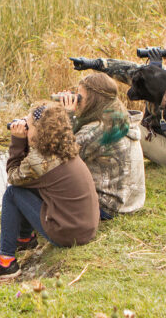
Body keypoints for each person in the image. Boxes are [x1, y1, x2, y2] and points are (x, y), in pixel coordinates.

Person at [0, 101, 100, 280]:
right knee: (28, 189)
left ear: (40, 132)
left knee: (12, 193)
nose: (25, 128)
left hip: (68, 234)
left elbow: (14, 176)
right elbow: (30, 178)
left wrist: (17, 141)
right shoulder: (63, 146)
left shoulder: (40, 161)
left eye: (28, 126)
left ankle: (6, 262)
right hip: (85, 227)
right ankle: (24, 238)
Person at [71, 29, 166, 168]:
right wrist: (95, 63)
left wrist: (157, 76)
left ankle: (81, 158)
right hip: (162, 138)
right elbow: (130, 70)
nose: (165, 57)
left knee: (122, 126)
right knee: (113, 115)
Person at [53, 72, 145, 219]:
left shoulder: (98, 130)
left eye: (80, 96)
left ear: (93, 100)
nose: (77, 100)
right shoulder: (118, 118)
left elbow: (59, 159)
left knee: (44, 182)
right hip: (130, 201)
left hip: (108, 207)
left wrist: (66, 116)